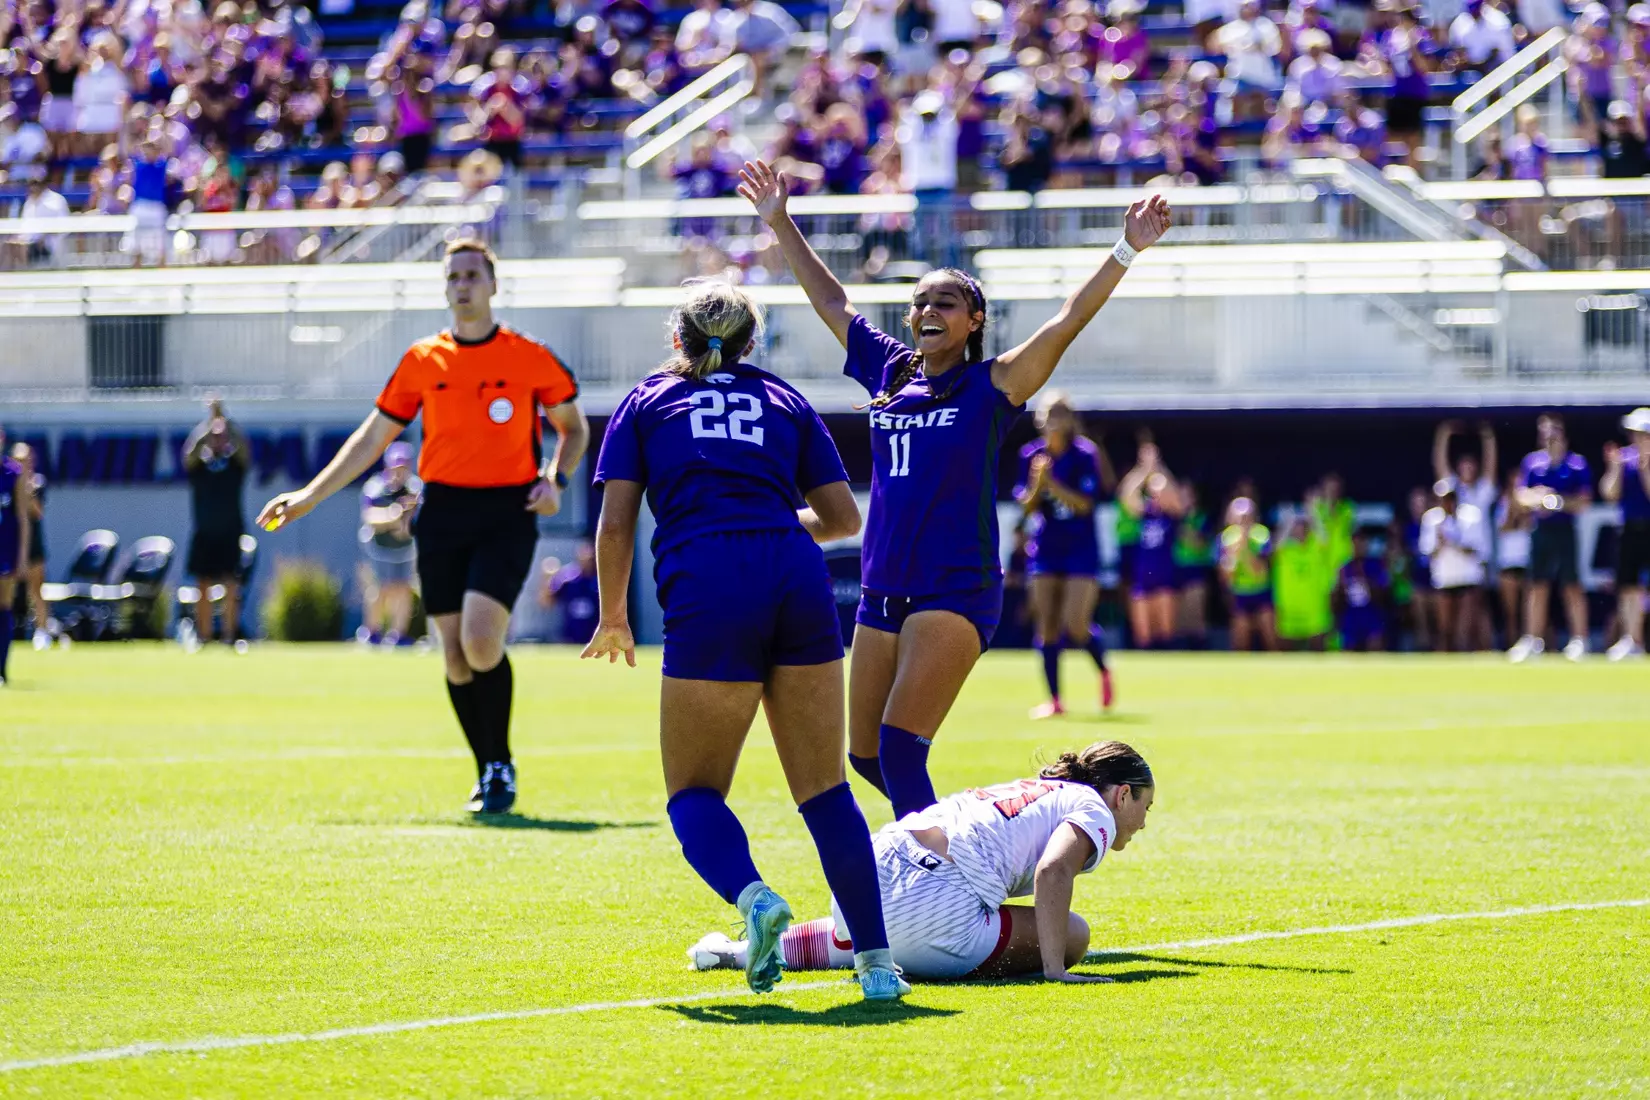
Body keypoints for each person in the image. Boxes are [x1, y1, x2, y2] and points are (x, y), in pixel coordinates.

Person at [738, 156, 1171, 821]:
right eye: (920, 301)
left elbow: (1065, 321)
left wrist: (1125, 249)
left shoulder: (991, 384)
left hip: (955, 586)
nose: (927, 309)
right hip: (883, 589)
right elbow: (833, 301)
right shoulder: (889, 370)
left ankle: (951, 881)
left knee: (901, 751)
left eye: (945, 301)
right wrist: (779, 220)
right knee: (864, 759)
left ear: (974, 321)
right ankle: (972, 836)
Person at [580, 280, 906, 1002]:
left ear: (679, 339)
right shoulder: (783, 399)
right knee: (825, 792)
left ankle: (755, 899)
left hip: (708, 576)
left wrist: (612, 615)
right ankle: (879, 967)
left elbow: (615, 523)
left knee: (693, 793)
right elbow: (842, 517)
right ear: (752, 342)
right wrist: (771, 531)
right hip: (793, 570)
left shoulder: (646, 400)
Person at [258, 238, 590, 815]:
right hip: (441, 515)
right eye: (453, 276)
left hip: (507, 513)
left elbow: (575, 429)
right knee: (455, 658)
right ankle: (490, 768)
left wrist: (555, 481)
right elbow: (372, 437)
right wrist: (310, 496)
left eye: (472, 275)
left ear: (493, 284)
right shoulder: (422, 360)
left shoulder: (528, 355)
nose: (462, 285)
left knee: (481, 642)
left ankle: (499, 764)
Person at [689, 740, 1154, 983]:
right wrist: (1056, 969)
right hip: (938, 904)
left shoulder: (1047, 789)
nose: (1142, 823)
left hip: (874, 866)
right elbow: (1052, 871)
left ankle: (737, 951)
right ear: (1122, 793)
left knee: (873, 932)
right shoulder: (1095, 808)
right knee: (1075, 935)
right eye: (1144, 809)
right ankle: (908, 949)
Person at [1015, 391, 1116, 719]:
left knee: (1075, 625)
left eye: (1060, 414)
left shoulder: (1085, 454)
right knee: (1046, 625)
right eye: (1048, 413)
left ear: (1071, 420)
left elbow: (1085, 503)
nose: (1052, 420)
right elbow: (1027, 507)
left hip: (1080, 549)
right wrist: (1035, 484)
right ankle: (1055, 700)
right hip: (1046, 546)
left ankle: (1103, 669)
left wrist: (1051, 483)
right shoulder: (1031, 455)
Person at [1509, 413, 1592, 662]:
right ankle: (1533, 640)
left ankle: (1580, 639)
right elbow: (1521, 497)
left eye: (1552, 433)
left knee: (1571, 585)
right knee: (1536, 585)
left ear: (1563, 434)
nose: (1548, 438)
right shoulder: (1532, 464)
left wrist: (1557, 502)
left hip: (1565, 531)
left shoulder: (1577, 464)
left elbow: (1584, 502)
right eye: (1544, 433)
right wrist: (1538, 498)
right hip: (1540, 531)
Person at [182, 401, 252, 648]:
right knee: (202, 585)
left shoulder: (235, 465)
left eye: (222, 437)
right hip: (204, 534)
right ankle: (204, 636)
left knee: (231, 586)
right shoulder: (200, 467)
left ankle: (229, 636)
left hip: (230, 533)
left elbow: (243, 447)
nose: (218, 440)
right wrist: (208, 424)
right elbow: (188, 454)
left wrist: (224, 418)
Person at [1117, 442, 1185, 649]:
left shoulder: (1172, 515)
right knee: (1142, 634)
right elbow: (1126, 495)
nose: (1157, 494)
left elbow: (1175, 496)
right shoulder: (1144, 513)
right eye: (1153, 490)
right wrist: (1144, 469)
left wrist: (1158, 467)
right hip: (1142, 575)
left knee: (1166, 631)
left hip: (1165, 575)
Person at [358, 442, 422, 647]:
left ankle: (398, 635)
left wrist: (407, 520)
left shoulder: (415, 487)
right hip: (380, 548)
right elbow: (369, 516)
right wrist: (392, 516)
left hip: (405, 549)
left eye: (404, 467)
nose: (400, 472)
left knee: (404, 589)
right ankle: (372, 632)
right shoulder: (376, 487)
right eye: (396, 467)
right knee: (381, 588)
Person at [1601, 407, 1650, 660]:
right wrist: (1616, 467)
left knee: (1643, 590)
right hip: (1629, 530)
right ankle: (1632, 639)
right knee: (1628, 587)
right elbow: (1609, 493)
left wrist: (1645, 468)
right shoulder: (1624, 459)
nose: (1638, 439)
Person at [1419, 480, 1491, 651]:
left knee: (1465, 628)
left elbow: (1478, 549)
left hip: (1468, 578)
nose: (1447, 503)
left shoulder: (1472, 516)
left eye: (1450, 498)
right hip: (1444, 579)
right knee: (1445, 627)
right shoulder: (1431, 519)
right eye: (1443, 499)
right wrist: (1439, 542)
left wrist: (1453, 542)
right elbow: (1428, 551)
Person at [1220, 497, 1275, 651]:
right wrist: (1233, 556)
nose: (1243, 522)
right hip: (1239, 593)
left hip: (1261, 591)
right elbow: (1226, 576)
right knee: (1241, 641)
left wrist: (1245, 545)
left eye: (1247, 517)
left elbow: (1259, 570)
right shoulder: (1226, 538)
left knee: (1270, 637)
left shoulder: (1262, 535)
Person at [0, 427, 33, 685]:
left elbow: (23, 517)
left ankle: (2, 668)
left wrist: (22, 556)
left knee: (4, 607)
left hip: (5, 548)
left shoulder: (13, 473)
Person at [10, 443, 49, 649]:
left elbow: (37, 511)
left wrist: (27, 490)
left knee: (36, 590)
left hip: (33, 545)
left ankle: (42, 631)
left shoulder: (37, 483)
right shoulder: (7, 481)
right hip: (10, 545)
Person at [1173, 482, 1215, 649]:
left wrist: (1185, 527)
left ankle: (1201, 649)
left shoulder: (1202, 518)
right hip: (1176, 569)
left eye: (1186, 495)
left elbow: (1200, 543)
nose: (1183, 499)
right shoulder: (1172, 517)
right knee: (1180, 619)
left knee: (1195, 615)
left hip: (1196, 569)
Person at [1494, 469, 1531, 650]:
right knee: (1511, 612)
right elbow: (1504, 528)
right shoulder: (1503, 502)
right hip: (1508, 562)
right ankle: (1512, 646)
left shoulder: (1534, 503)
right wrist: (1513, 507)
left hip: (1528, 561)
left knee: (1531, 608)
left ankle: (1538, 644)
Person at [1336, 528, 1389, 651]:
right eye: (1355, 544)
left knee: (1375, 643)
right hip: (1352, 613)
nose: (1358, 547)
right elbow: (1339, 595)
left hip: (1371, 611)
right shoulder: (1345, 567)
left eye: (1361, 544)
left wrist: (1367, 581)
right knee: (1348, 645)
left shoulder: (1376, 565)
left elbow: (1384, 592)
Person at [543, 540, 599, 646]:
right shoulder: (568, 579)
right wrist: (547, 578)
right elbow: (547, 602)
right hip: (571, 635)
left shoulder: (600, 581)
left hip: (595, 633)